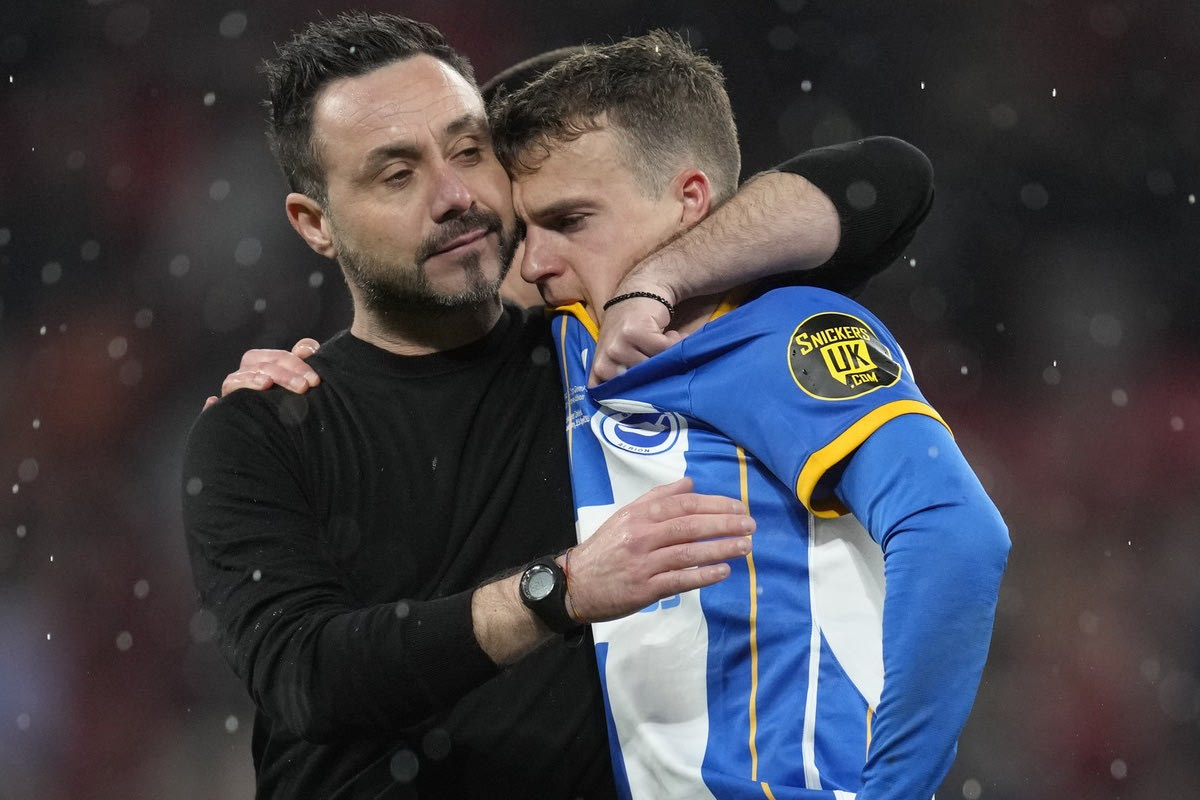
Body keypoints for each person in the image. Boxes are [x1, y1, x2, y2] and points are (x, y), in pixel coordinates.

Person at [183, 12, 934, 799]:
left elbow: (888, 181)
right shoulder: (262, 426)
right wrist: (559, 590)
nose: (453, 195)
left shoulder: (603, 359)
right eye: (396, 175)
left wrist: (663, 278)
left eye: (469, 151)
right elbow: (306, 676)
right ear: (315, 225)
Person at [485, 31, 1011, 799]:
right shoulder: (564, 344)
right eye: (523, 231)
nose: (532, 263)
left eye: (570, 221)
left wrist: (895, 791)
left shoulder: (781, 331)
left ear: (689, 201)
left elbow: (954, 534)